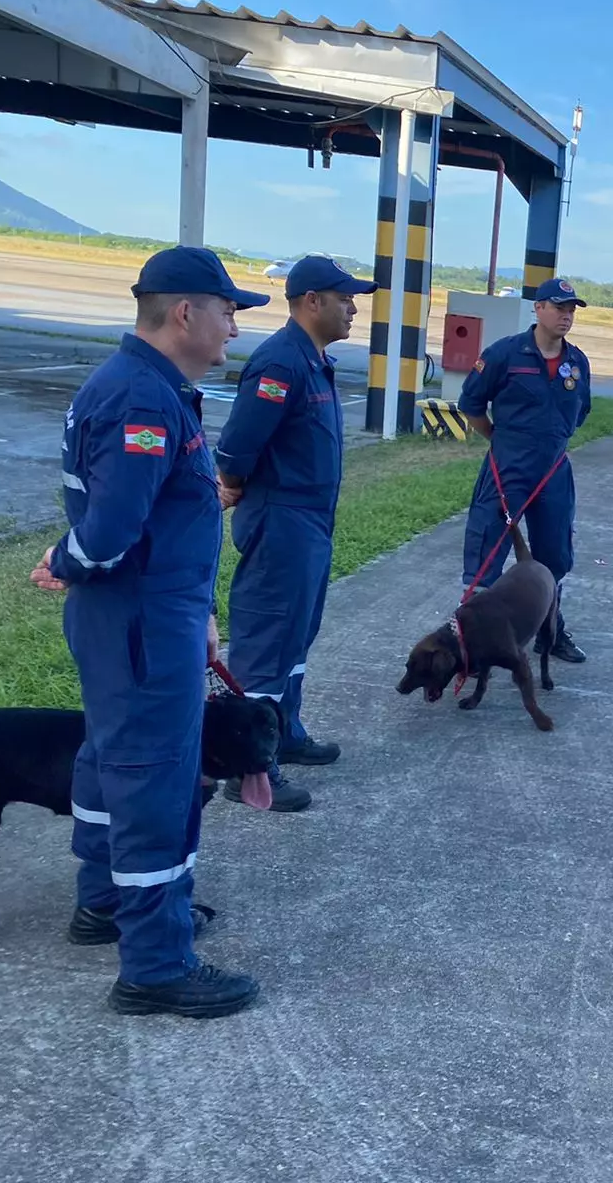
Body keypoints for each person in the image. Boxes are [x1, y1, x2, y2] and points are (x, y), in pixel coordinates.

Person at [28, 245, 267, 1018]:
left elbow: (156, 523)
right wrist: (65, 558)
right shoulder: (142, 400)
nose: (235, 324)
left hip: (144, 620)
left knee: (108, 762)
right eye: (227, 310)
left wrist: (197, 614)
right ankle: (156, 966)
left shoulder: (152, 387)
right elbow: (109, 536)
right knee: (157, 782)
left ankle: (104, 903)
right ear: (184, 313)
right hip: (137, 627)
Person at [212, 255, 376, 814]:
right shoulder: (282, 363)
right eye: (345, 298)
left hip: (310, 520)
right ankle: (250, 766)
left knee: (297, 638)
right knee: (266, 645)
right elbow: (236, 447)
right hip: (282, 518)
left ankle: (285, 731)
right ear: (312, 301)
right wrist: (232, 486)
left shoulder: (314, 361)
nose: (354, 307)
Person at [455, 276, 592, 664]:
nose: (566, 316)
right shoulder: (505, 354)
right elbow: (472, 405)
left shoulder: (576, 363)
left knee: (553, 556)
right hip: (507, 468)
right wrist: (500, 441)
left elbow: (578, 414)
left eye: (571, 310)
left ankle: (550, 632)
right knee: (487, 555)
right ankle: (469, 643)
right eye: (559, 307)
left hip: (552, 471)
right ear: (538, 308)